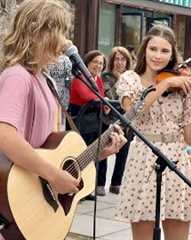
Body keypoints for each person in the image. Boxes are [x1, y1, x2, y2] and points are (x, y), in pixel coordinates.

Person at [0, 1, 126, 239]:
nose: (66, 42)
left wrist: (99, 152)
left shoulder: (44, 79)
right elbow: (4, 134)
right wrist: (53, 175)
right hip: (17, 193)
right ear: (38, 33)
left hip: (36, 193)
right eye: (61, 31)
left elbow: (49, 148)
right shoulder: (17, 76)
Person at [115, 25, 191, 240]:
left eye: (165, 51)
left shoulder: (184, 86)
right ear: (144, 50)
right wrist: (165, 84)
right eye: (153, 49)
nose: (158, 56)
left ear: (173, 54)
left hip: (176, 162)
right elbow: (133, 111)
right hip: (143, 160)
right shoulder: (130, 79)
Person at [68, 50, 110, 197]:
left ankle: (94, 185)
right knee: (83, 154)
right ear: (86, 63)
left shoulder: (97, 79)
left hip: (94, 119)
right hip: (79, 120)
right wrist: (102, 101)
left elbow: (101, 96)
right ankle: (80, 187)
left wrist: (104, 103)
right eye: (95, 62)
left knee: (97, 151)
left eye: (101, 63)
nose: (98, 65)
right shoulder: (79, 79)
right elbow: (87, 96)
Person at [101, 46, 132, 195]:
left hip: (126, 120)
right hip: (108, 120)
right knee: (104, 150)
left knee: (123, 152)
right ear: (112, 61)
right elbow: (112, 97)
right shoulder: (105, 77)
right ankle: (100, 183)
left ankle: (116, 183)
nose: (120, 62)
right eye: (117, 59)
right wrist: (120, 81)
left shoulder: (131, 77)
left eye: (123, 59)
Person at [48, 54, 73, 130]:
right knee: (60, 126)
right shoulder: (65, 60)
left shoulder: (47, 58)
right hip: (61, 98)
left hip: (50, 96)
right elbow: (69, 81)